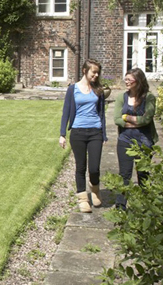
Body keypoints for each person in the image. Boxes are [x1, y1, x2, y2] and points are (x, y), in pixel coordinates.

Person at [59, 58, 107, 213]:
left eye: (98, 73)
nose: (96, 75)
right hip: (78, 132)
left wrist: (103, 134)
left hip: (95, 132)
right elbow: (66, 111)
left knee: (94, 167)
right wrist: (62, 134)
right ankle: (82, 199)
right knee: (80, 167)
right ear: (85, 71)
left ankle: (95, 190)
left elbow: (102, 113)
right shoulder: (73, 89)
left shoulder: (98, 89)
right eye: (94, 72)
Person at [114, 68, 157, 210]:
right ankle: (121, 206)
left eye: (129, 80)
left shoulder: (149, 98)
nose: (126, 82)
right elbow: (117, 119)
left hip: (144, 140)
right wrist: (133, 121)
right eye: (125, 79)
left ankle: (145, 206)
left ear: (138, 81)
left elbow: (146, 119)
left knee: (143, 174)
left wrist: (127, 117)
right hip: (125, 139)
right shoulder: (122, 97)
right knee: (124, 174)